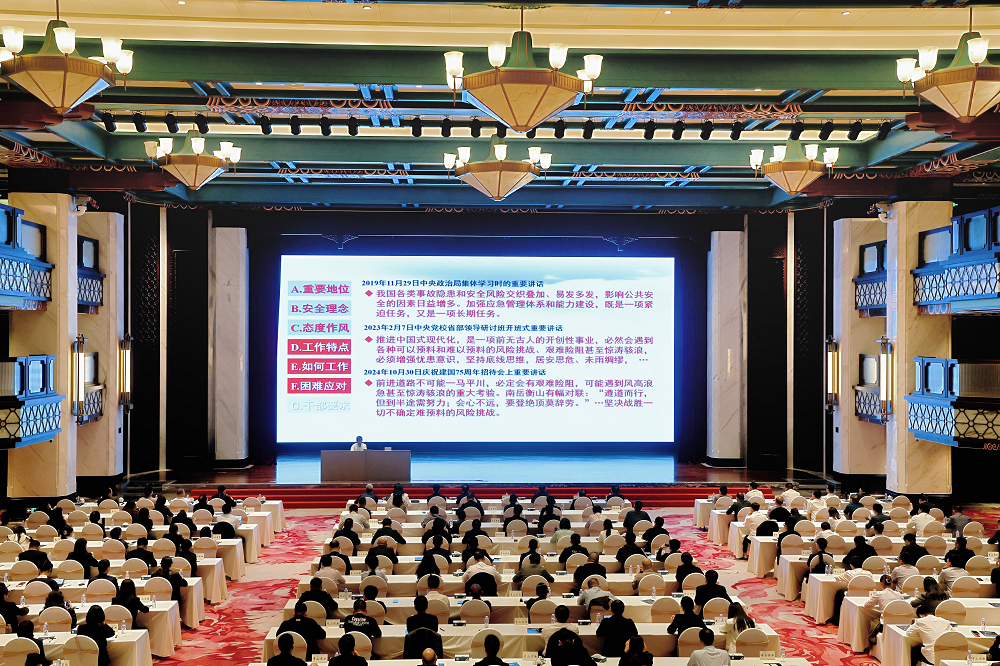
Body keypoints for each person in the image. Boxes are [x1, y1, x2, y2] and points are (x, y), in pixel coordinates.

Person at [827, 556, 872, 625]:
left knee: (839, 593)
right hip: (866, 596)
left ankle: (837, 618)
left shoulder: (848, 573)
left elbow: (837, 578)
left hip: (852, 596)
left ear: (851, 565)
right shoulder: (869, 573)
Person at [864, 574, 904, 644]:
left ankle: (872, 642)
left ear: (881, 583)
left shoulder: (879, 594)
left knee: (874, 622)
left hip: (884, 625)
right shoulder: (899, 595)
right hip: (899, 624)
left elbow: (866, 605)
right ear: (891, 583)